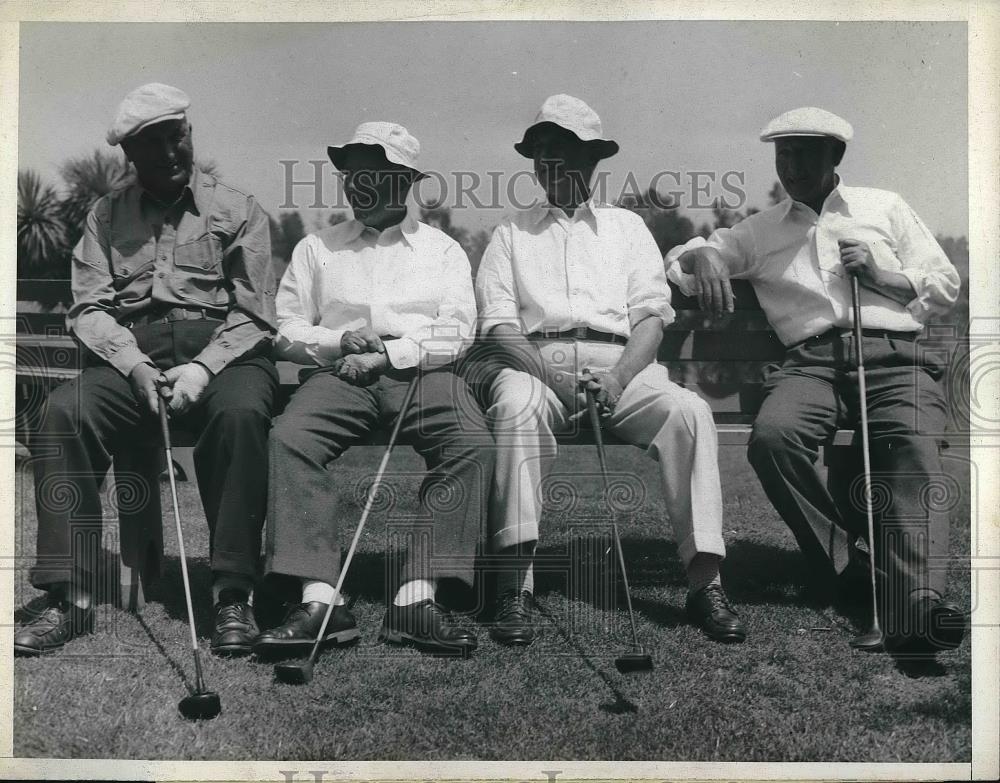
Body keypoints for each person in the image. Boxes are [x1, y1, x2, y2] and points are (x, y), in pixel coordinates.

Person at [665, 106, 964, 658]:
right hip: (811, 364)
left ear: (836, 157)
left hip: (894, 358)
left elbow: (943, 282)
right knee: (773, 438)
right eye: (783, 155)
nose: (792, 165)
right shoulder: (764, 229)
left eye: (804, 153)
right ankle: (853, 566)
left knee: (913, 447)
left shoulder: (884, 207)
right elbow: (685, 262)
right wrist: (703, 254)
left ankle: (920, 604)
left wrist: (883, 277)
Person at [15, 83, 278, 657]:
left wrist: (202, 371)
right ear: (129, 155)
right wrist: (135, 366)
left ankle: (233, 592)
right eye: (152, 143)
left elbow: (256, 312)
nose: (168, 152)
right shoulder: (104, 216)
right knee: (64, 413)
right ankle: (71, 594)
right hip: (133, 353)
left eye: (175, 136)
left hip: (225, 353)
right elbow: (88, 307)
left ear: (190, 134)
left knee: (239, 415)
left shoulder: (239, 208)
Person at [474, 94, 746, 647]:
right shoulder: (509, 232)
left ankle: (705, 583)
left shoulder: (627, 228)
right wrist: (552, 379)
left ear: (592, 161)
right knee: (515, 406)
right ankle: (514, 587)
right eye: (540, 152)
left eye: (562, 151)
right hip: (535, 365)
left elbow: (651, 317)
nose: (548, 163)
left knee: (689, 412)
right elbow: (500, 328)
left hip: (622, 366)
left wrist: (620, 377)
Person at [253, 122, 494, 659]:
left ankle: (415, 598)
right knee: (290, 438)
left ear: (406, 179)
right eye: (351, 174)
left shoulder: (443, 249)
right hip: (340, 376)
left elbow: (458, 330)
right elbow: (287, 329)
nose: (357, 185)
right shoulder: (317, 247)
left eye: (374, 173)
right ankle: (320, 600)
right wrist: (340, 341)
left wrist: (388, 355)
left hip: (422, 372)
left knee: (471, 442)